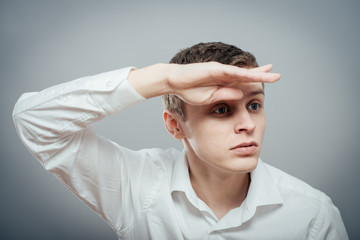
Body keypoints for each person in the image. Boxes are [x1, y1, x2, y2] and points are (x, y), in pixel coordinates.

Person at [13, 42, 348, 239]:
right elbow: (35, 120)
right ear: (175, 126)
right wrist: (163, 78)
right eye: (221, 109)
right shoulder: (136, 185)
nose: (248, 124)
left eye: (254, 105)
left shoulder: (312, 214)